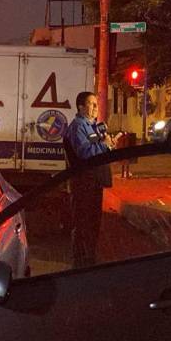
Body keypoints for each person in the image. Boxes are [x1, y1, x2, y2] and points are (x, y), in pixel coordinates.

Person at [63, 91, 119, 268]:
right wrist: (104, 145)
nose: (95, 107)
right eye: (91, 104)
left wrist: (109, 144)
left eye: (96, 104)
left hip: (94, 183)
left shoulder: (91, 126)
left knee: (93, 224)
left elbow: (97, 149)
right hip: (83, 184)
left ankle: (89, 259)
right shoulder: (78, 127)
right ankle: (81, 263)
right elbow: (85, 153)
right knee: (83, 224)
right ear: (81, 107)